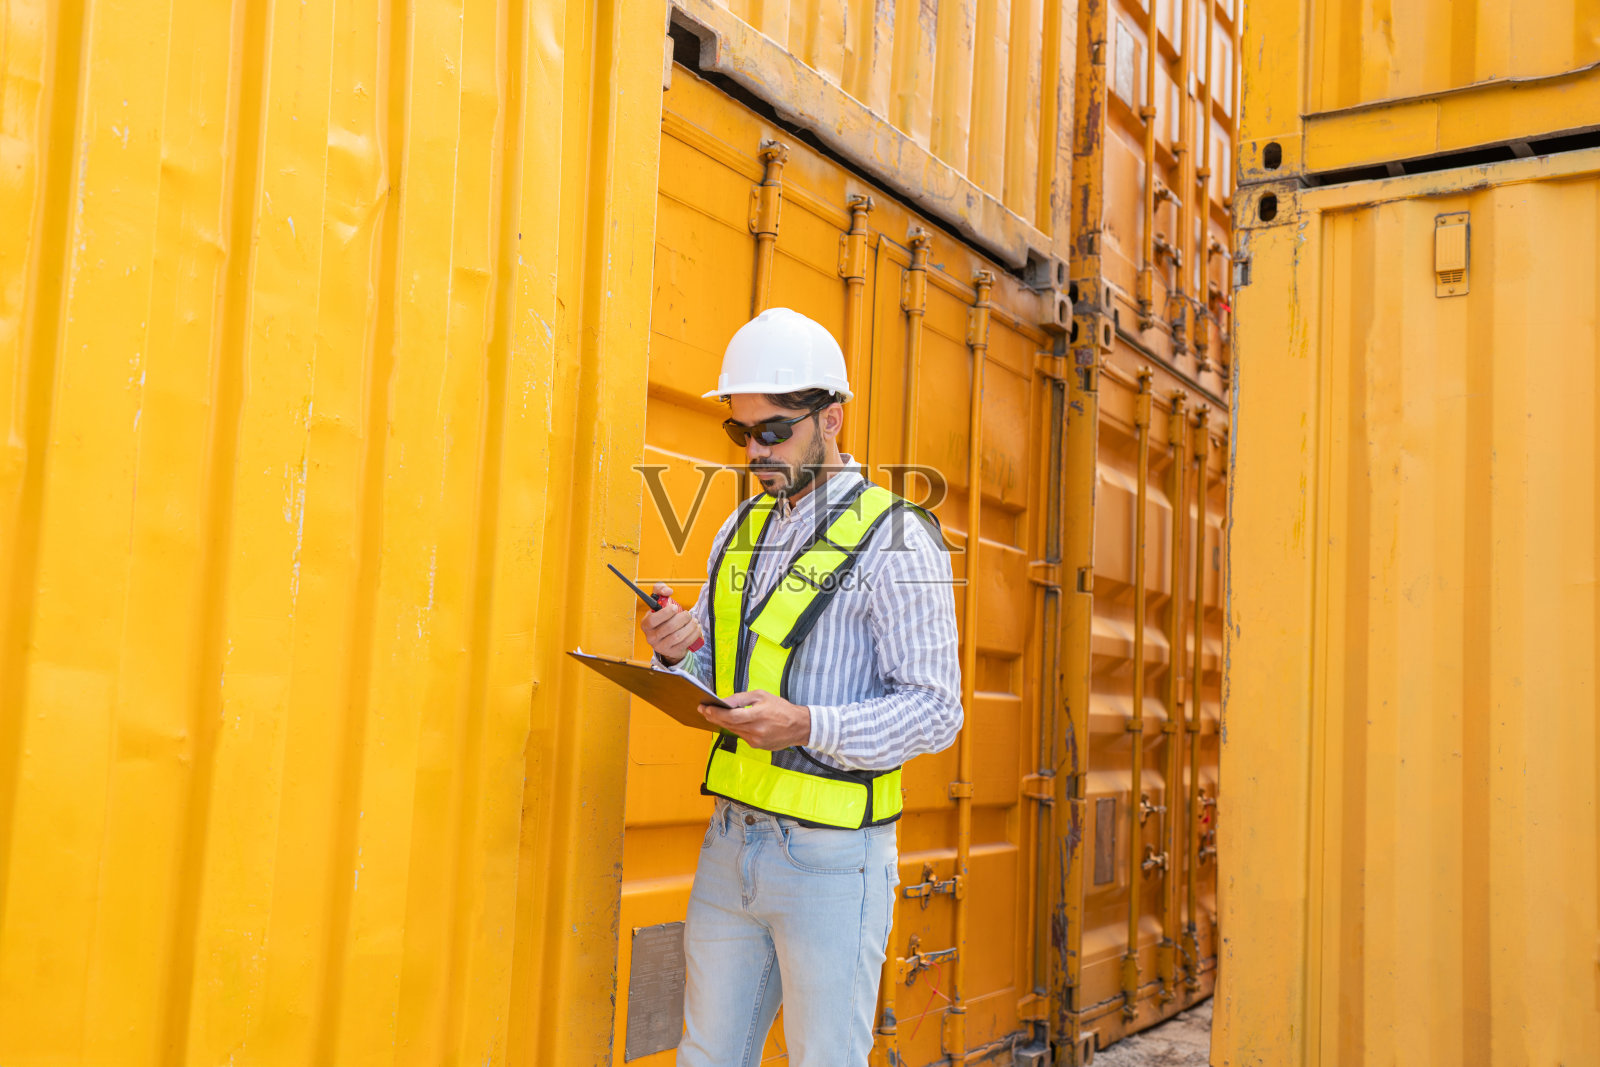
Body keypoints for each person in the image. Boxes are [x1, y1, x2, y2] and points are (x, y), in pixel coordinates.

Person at [640, 307, 964, 1067]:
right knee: (706, 1056)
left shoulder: (897, 537)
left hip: (833, 862)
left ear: (833, 419)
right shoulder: (739, 531)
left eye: (774, 430)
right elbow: (720, 679)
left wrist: (809, 724)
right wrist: (671, 654)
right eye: (741, 432)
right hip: (731, 845)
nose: (755, 450)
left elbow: (936, 708)